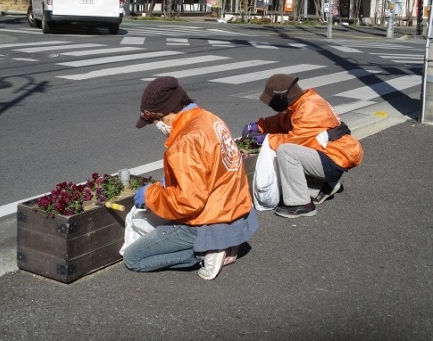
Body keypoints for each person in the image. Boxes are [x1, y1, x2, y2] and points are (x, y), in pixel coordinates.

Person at [123, 76, 259, 280]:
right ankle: (226, 240)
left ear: (166, 113)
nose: (157, 126)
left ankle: (207, 250)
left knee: (133, 258)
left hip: (209, 220)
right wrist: (166, 183)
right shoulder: (210, 119)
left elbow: (187, 202)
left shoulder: (184, 143)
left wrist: (150, 196)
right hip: (235, 208)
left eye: (155, 121)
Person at [242, 74, 363, 218]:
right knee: (288, 150)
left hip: (335, 158)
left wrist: (265, 139)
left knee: (286, 152)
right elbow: (283, 120)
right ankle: (323, 186)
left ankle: (301, 204)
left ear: (281, 98)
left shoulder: (309, 109)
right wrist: (260, 125)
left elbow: (292, 141)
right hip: (330, 154)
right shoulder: (302, 103)